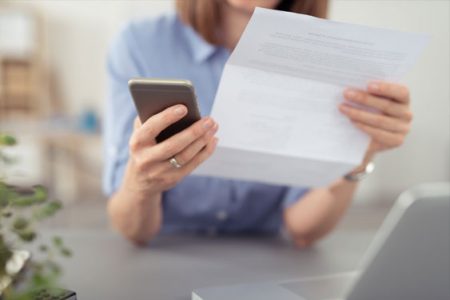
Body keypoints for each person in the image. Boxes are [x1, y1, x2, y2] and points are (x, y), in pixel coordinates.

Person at [104, 0, 413, 247]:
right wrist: (141, 184)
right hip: (163, 254)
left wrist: (359, 151)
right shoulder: (138, 45)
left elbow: (302, 227)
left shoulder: (325, 58)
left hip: (269, 260)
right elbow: (131, 228)